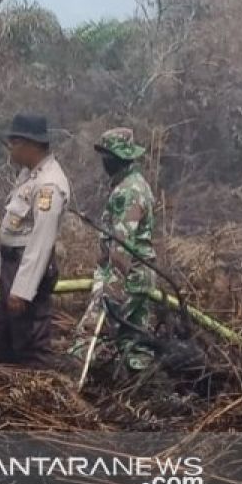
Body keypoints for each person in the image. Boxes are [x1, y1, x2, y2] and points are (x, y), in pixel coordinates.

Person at [0, 114, 71, 368]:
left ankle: (37, 392)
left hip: (27, 269)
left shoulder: (49, 184)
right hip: (13, 264)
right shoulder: (28, 176)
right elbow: (12, 228)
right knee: (2, 337)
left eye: (13, 143)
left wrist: (23, 290)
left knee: (30, 342)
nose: (10, 149)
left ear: (30, 144)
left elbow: (41, 241)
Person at [93, 127, 157, 371]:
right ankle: (141, 392)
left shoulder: (127, 192)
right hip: (142, 276)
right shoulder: (138, 184)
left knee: (91, 334)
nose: (104, 162)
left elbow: (122, 246)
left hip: (128, 278)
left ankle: (70, 387)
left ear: (116, 158)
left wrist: (111, 290)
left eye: (107, 156)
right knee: (135, 342)